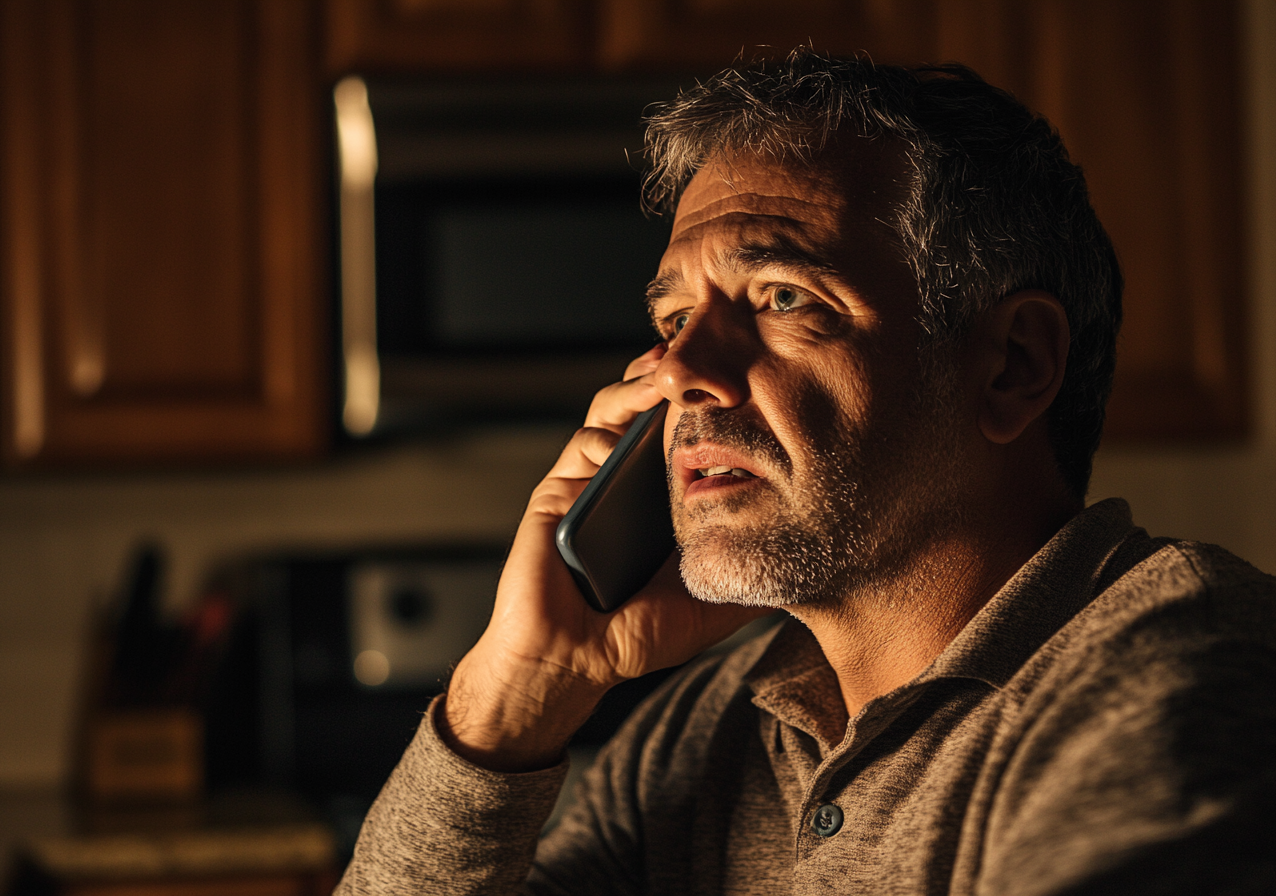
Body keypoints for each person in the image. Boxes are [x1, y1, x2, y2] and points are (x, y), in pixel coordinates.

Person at [336, 50, 1276, 895]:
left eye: (783, 297)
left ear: (1012, 366)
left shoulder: (1182, 679)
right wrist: (514, 699)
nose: (677, 374)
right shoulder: (711, 727)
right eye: (672, 319)